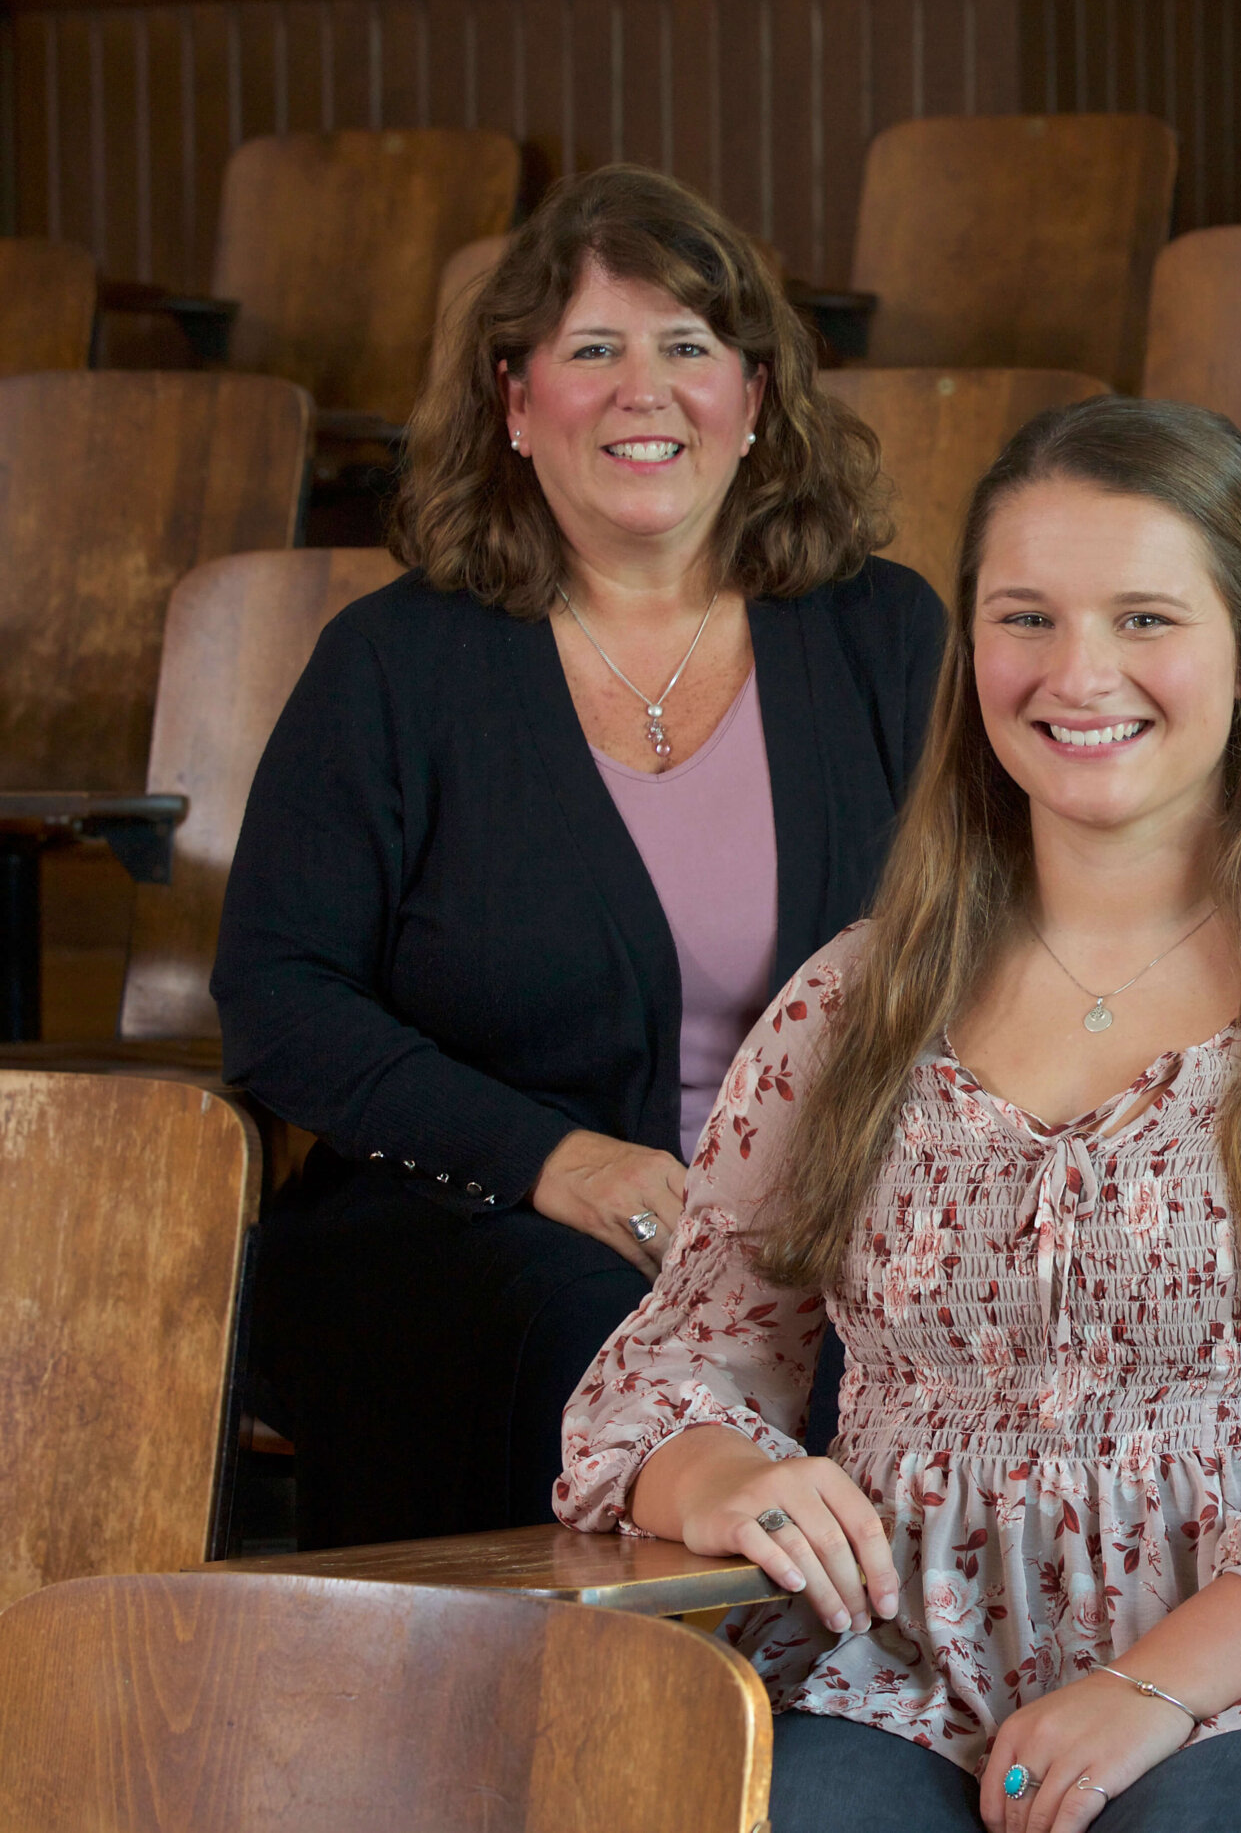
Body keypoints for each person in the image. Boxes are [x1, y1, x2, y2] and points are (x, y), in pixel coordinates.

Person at [556, 396, 1241, 1833]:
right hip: (903, 1675)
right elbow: (680, 1362)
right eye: (1028, 618)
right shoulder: (856, 998)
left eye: (1146, 617)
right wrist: (712, 1471)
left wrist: (1151, 1687)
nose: (1080, 672)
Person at [213, 165, 944, 1549]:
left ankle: (852, 1723)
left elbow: (984, 949)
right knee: (595, 1324)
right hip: (464, 1224)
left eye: (688, 349)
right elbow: (277, 998)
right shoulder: (396, 664)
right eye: (592, 351)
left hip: (821, 1224)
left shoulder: (880, 636)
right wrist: (550, 1158)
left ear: (759, 399)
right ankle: (608, 1718)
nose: (642, 390)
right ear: (514, 404)